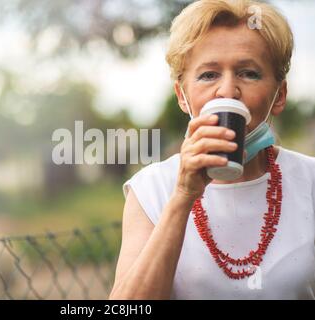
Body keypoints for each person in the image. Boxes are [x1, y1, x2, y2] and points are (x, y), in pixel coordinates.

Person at [109, 0, 315, 300]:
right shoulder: (151, 189)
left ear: (279, 95)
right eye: (208, 75)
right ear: (182, 96)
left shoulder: (309, 181)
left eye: (249, 73)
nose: (228, 90)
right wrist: (182, 196)